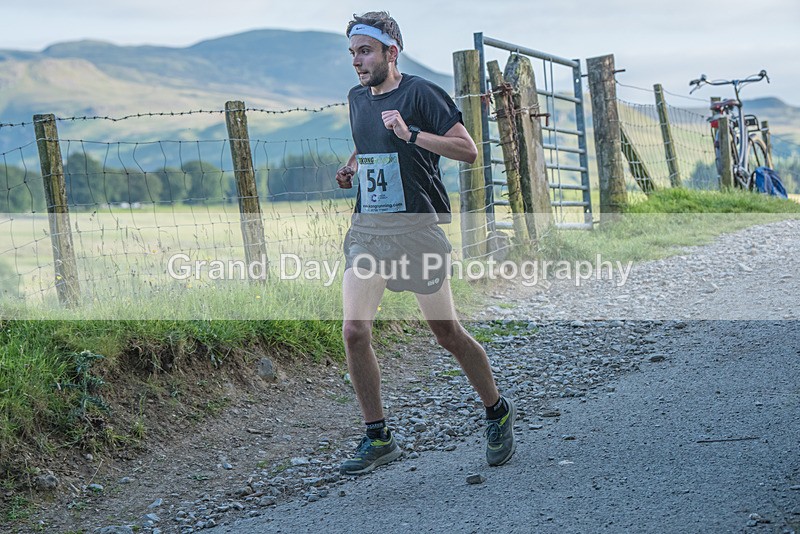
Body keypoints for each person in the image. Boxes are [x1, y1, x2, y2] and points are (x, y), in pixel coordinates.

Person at [335, 11, 516, 476]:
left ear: (391, 52)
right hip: (369, 233)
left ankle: (496, 410)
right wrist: (353, 166)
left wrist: (412, 134)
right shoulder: (357, 98)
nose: (357, 61)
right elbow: (370, 139)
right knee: (355, 331)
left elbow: (468, 149)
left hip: (418, 234)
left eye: (365, 51)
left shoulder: (421, 94)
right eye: (353, 52)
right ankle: (378, 436)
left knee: (447, 334)